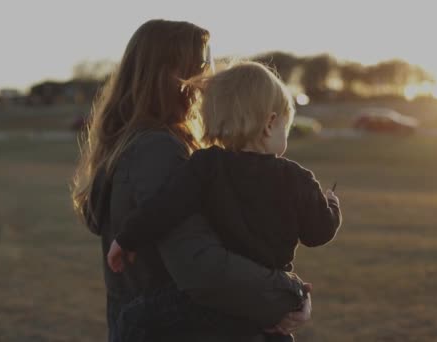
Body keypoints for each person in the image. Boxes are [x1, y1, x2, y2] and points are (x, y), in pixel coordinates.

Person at [71, 19, 312, 342]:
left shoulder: (132, 146)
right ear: (173, 76)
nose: (211, 78)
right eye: (203, 65)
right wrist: (289, 293)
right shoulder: (158, 151)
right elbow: (200, 266)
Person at [107, 62, 343, 341]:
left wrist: (128, 239)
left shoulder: (205, 165)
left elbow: (164, 207)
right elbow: (318, 233)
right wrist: (331, 206)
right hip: (262, 302)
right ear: (270, 123)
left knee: (133, 320)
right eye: (286, 128)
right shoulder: (297, 179)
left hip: (210, 306)